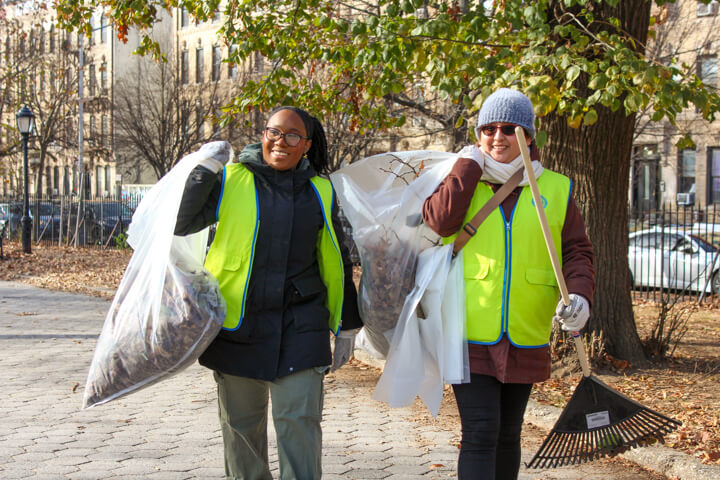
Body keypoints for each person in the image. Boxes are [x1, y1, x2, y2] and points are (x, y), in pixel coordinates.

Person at [174, 106, 362, 480]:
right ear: (263, 135)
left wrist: (348, 325)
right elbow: (181, 221)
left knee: (299, 422)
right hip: (237, 322)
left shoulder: (320, 190)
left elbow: (336, 257)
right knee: (242, 430)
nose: (281, 141)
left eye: (292, 136)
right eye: (274, 132)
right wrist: (202, 172)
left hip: (301, 323)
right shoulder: (231, 179)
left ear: (306, 145)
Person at [421, 88, 595, 480]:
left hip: (526, 329)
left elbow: (578, 252)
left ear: (529, 136)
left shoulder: (557, 188)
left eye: (509, 128)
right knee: (480, 431)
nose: (497, 137)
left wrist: (580, 296)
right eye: (488, 129)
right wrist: (466, 167)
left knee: (508, 434)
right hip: (469, 328)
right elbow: (439, 221)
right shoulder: (461, 180)